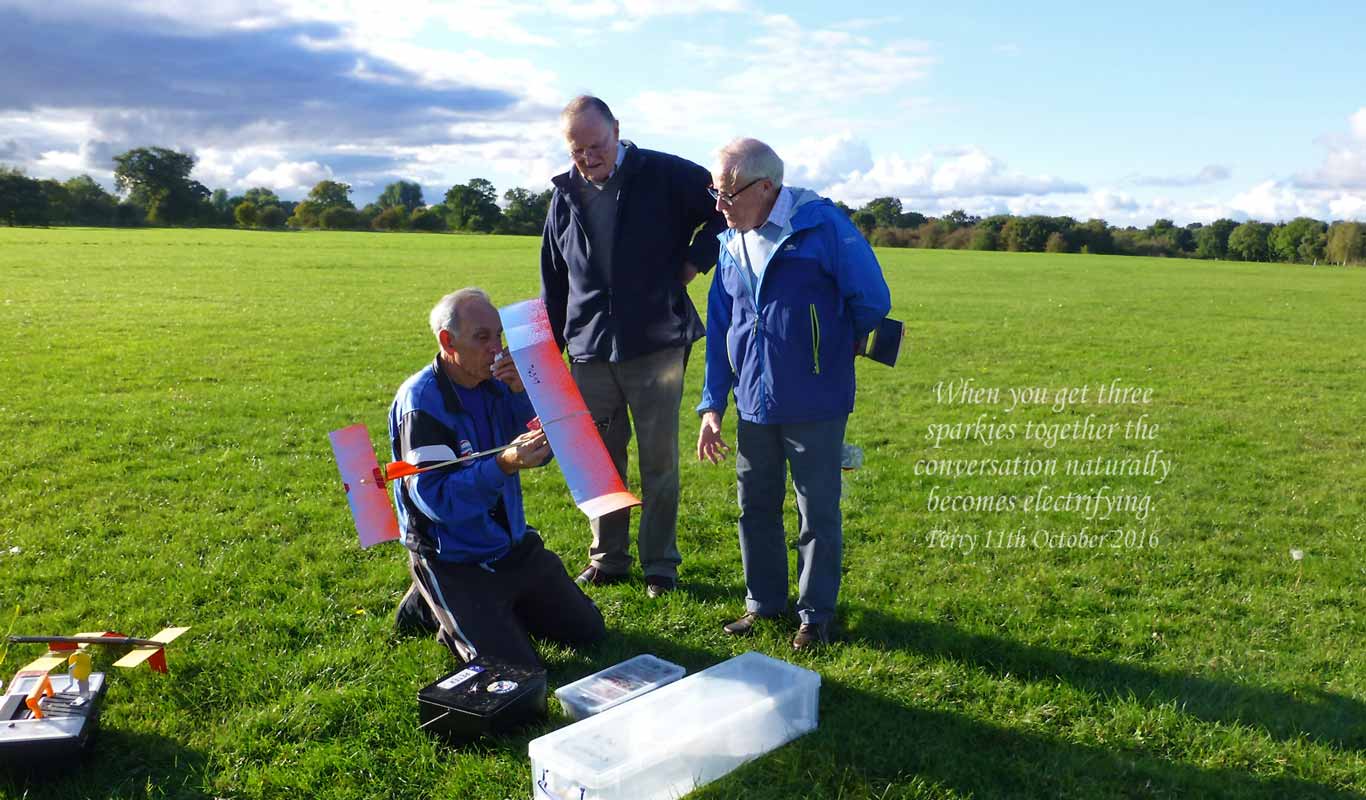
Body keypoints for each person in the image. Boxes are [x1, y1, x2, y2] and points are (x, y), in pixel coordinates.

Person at [695, 138, 891, 650]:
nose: (719, 206)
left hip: (815, 402)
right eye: (715, 193)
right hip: (753, 402)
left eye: (728, 194)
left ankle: (815, 615)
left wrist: (826, 352)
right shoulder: (730, 241)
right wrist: (713, 403)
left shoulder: (821, 226)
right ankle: (763, 604)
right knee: (754, 505)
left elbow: (872, 299)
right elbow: (720, 327)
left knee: (816, 511)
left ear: (766, 187)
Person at [540, 95, 727, 598]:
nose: (588, 157)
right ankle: (608, 558)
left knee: (658, 461)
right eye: (577, 150)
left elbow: (724, 210)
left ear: (617, 130)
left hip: (657, 344)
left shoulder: (666, 174)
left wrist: (695, 261)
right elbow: (554, 281)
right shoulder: (563, 195)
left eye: (596, 145)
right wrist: (550, 352)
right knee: (599, 461)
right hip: (589, 351)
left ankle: (660, 564)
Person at [389, 288, 606, 667]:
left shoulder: (498, 385)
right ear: (447, 342)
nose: (497, 349)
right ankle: (433, 602)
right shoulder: (422, 403)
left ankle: (477, 607)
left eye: (499, 336)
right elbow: (437, 501)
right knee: (515, 669)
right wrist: (503, 464)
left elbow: (543, 452)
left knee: (588, 630)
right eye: (482, 337)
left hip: (510, 545)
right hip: (452, 555)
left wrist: (523, 392)